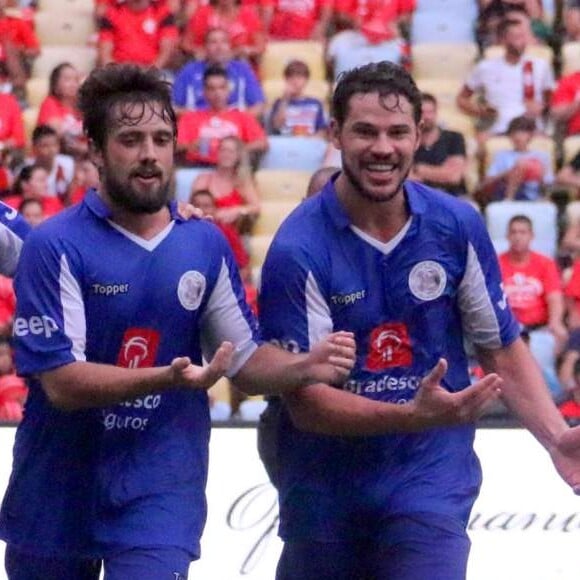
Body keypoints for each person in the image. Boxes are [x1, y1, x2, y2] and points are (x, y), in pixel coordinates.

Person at [0, 63, 356, 580]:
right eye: (130, 139)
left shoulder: (203, 242)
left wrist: (304, 366)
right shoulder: (55, 244)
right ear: (96, 150)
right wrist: (166, 377)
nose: (149, 153)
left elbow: (244, 360)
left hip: (159, 487)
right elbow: (62, 384)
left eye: (162, 138)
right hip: (57, 488)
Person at [257, 61, 580, 580]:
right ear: (335, 134)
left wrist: (555, 436)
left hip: (429, 471)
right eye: (364, 131)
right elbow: (309, 406)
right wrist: (413, 411)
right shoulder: (298, 248)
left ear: (419, 136)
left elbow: (499, 344)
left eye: (397, 132)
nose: (382, 147)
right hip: (324, 483)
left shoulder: (456, 225)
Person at [456, 17, 554, 142]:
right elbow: (462, 99)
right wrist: (482, 111)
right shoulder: (486, 67)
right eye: (516, 37)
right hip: (498, 129)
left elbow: (551, 101)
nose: (522, 41)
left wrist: (543, 108)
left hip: (531, 129)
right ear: (503, 39)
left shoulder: (540, 66)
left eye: (523, 36)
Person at [176, 65, 268, 167]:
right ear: (204, 92)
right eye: (212, 89)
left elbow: (262, 143)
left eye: (222, 88)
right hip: (199, 166)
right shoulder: (190, 118)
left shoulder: (242, 117)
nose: (217, 93)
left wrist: (238, 150)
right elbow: (176, 146)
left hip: (233, 168)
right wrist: (190, 146)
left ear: (229, 90)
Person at [172, 27, 265, 117]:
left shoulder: (242, 70)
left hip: (235, 125)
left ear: (230, 47)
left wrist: (236, 120)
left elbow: (258, 106)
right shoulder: (189, 71)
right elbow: (174, 107)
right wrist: (199, 119)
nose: (219, 47)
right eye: (213, 42)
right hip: (197, 125)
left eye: (224, 42)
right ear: (205, 47)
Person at [190, 135, 260, 229]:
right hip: (205, 229)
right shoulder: (203, 179)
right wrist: (215, 214)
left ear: (238, 156)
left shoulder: (242, 182)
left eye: (231, 151)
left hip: (233, 232)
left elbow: (256, 207)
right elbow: (192, 208)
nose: (226, 154)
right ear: (217, 152)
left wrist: (237, 211)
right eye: (223, 150)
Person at [479, 115, 553, 203]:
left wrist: (531, 170)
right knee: (520, 165)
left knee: (524, 165)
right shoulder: (501, 155)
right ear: (510, 136)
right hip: (503, 194)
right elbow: (486, 182)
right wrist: (510, 173)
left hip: (534, 198)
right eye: (514, 133)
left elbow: (549, 182)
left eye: (523, 133)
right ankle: (509, 199)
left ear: (531, 135)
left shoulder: (542, 156)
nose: (518, 137)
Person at [410, 92, 468, 197]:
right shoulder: (410, 141)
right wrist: (441, 172)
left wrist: (418, 168)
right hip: (419, 196)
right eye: (422, 112)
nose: (426, 117)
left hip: (454, 196)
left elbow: (453, 177)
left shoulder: (454, 138)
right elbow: (407, 178)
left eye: (430, 112)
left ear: (436, 113)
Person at [97, 0, 179, 69]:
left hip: (153, 72)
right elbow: (105, 54)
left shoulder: (162, 12)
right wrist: (118, 76)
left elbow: (165, 53)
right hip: (120, 72)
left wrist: (148, 75)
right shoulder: (111, 13)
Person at [37, 62, 87, 158]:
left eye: (76, 80)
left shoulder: (83, 107)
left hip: (84, 157)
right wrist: (82, 147)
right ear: (55, 84)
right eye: (67, 80)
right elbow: (56, 136)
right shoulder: (49, 103)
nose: (73, 84)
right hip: (59, 157)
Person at [267, 60, 328, 138]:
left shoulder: (315, 103)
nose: (295, 81)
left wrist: (311, 139)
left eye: (299, 77)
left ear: (306, 80)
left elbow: (322, 130)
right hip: (286, 141)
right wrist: (285, 99)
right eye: (291, 77)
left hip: (309, 142)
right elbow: (276, 126)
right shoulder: (280, 103)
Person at [28, 124, 75, 202]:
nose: (51, 150)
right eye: (45, 146)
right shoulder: (26, 169)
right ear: (34, 147)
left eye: (54, 145)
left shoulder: (68, 164)